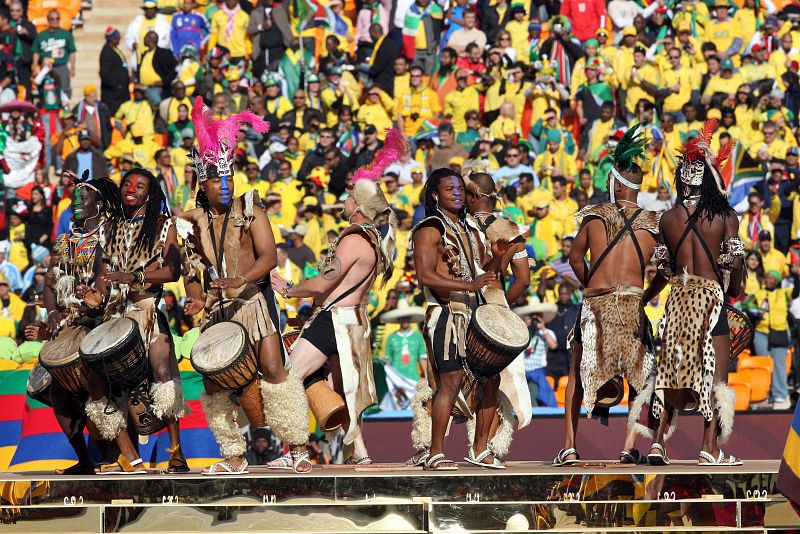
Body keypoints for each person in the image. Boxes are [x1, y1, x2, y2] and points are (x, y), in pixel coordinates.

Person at [181, 99, 309, 474]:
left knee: (273, 369)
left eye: (228, 177)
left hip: (253, 302)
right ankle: (234, 456)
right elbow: (192, 271)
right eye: (216, 179)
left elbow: (269, 256)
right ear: (201, 183)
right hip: (218, 310)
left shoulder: (249, 206)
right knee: (213, 385)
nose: (225, 185)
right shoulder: (191, 221)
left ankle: (298, 448)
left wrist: (241, 279)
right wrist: (194, 299)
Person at [272, 130, 405, 467]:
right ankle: (359, 454)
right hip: (353, 323)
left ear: (357, 206)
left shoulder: (353, 238)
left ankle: (295, 453)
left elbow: (322, 284)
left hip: (334, 321)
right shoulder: (375, 241)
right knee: (344, 392)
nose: (343, 199)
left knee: (288, 379)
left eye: (349, 195)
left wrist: (287, 288)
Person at [554, 125, 661, 467]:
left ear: (616, 183)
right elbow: (666, 271)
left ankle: (569, 447)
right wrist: (645, 298)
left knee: (575, 371)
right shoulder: (652, 224)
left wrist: (592, 287)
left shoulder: (595, 216)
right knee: (638, 377)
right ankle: (628, 446)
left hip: (596, 304)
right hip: (632, 303)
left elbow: (573, 259)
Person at [643, 120, 745, 466]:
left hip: (677, 300)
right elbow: (736, 262)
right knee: (716, 374)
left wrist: (646, 298)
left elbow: (663, 268)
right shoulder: (725, 216)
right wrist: (737, 287)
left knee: (669, 371)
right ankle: (710, 448)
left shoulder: (667, 218)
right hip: (711, 301)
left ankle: (657, 442)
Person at [80, 168, 188, 474]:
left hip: (148, 309)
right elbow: (103, 279)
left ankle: (176, 452)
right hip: (114, 315)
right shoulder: (106, 228)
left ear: (150, 194)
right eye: (127, 183)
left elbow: (172, 271)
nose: (131, 188)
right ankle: (129, 457)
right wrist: (94, 300)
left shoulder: (163, 224)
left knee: (162, 368)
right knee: (97, 382)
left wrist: (135, 276)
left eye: (140, 186)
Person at [408, 167, 505, 470]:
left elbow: (480, 273)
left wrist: (499, 256)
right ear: (435, 194)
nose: (458, 194)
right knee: (449, 383)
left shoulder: (465, 228)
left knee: (491, 379)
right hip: (446, 316)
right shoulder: (429, 228)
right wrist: (469, 286)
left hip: (473, 315)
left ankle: (480, 449)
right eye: (450, 189)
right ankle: (435, 451)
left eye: (461, 189)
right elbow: (425, 275)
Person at [25, 176, 122, 474]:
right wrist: (52, 313)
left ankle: (116, 455)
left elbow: (112, 280)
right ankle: (85, 459)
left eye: (83, 198)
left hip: (103, 319)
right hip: (69, 324)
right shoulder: (65, 240)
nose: (75, 203)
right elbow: (50, 284)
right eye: (73, 199)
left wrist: (94, 305)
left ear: (100, 204)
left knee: (98, 386)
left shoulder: (112, 236)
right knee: (57, 391)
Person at [32, 9, 76, 99]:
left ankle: (64, 109)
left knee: (64, 89)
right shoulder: (42, 35)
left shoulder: (66, 34)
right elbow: (36, 52)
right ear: (48, 20)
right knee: (45, 89)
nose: (55, 21)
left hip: (61, 65)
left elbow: (72, 52)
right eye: (52, 19)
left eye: (57, 18)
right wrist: (34, 66)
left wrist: (72, 68)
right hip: (45, 67)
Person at [99, 27, 131, 116]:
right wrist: (117, 85)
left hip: (121, 92)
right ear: (112, 39)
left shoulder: (115, 49)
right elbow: (104, 73)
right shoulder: (106, 52)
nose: (119, 39)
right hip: (114, 95)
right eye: (117, 37)